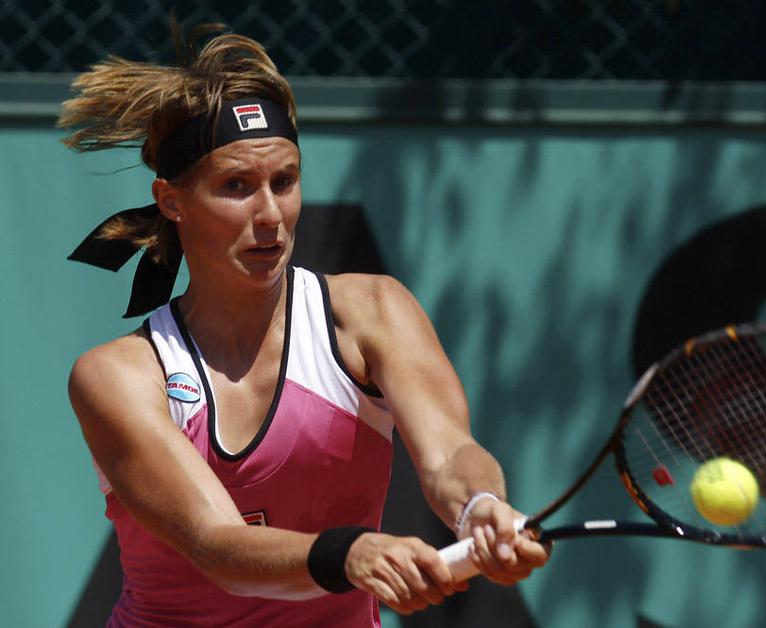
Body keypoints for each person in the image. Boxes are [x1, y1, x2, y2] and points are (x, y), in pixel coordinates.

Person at [62, 27, 549, 627]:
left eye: (284, 181)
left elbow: (450, 452)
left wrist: (480, 507)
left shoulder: (374, 313)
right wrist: (348, 553)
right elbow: (217, 544)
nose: (270, 214)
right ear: (172, 201)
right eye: (236, 186)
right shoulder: (116, 377)